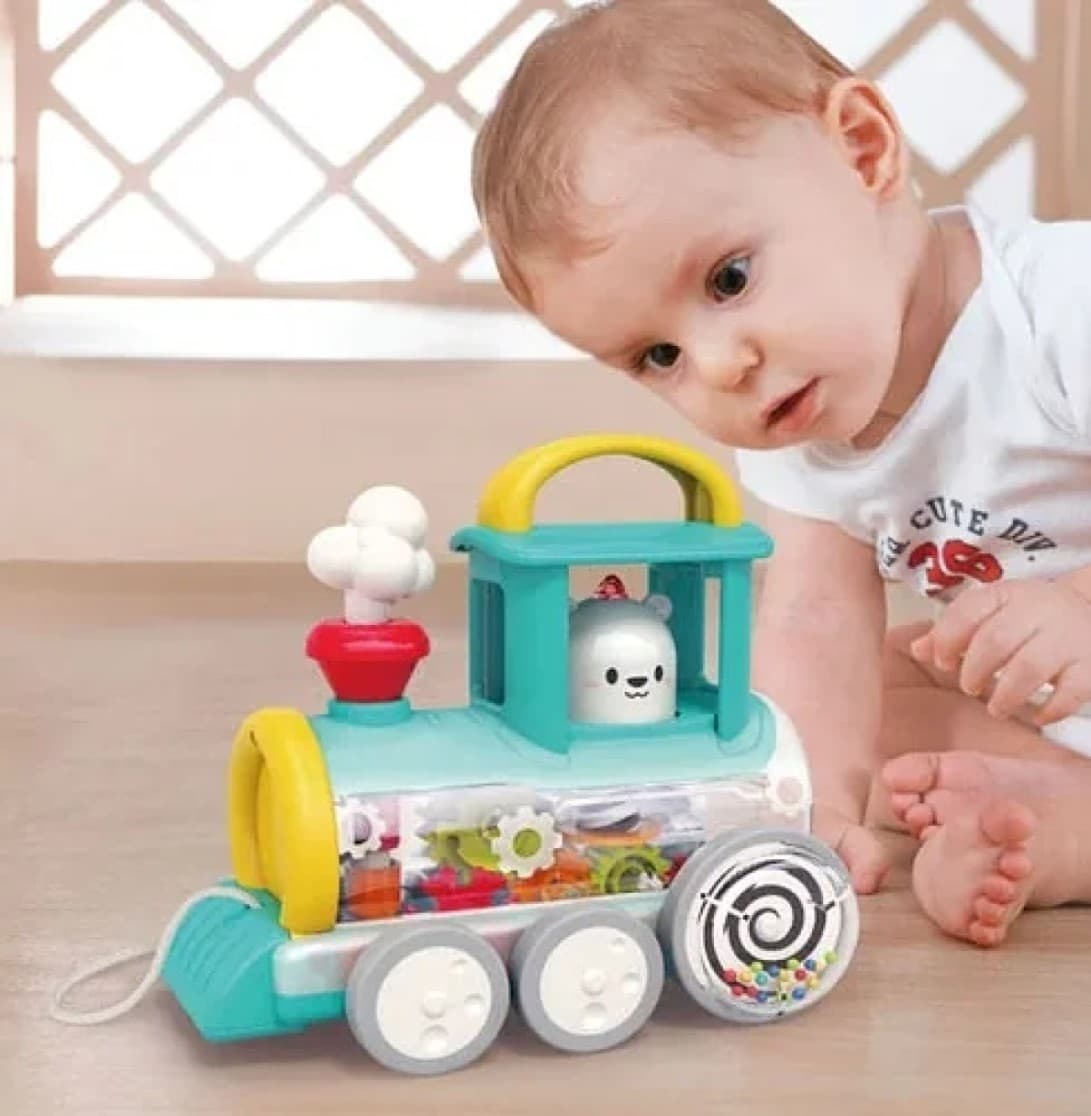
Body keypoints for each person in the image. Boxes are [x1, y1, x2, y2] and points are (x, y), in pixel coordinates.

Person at [469, 0, 1091, 947]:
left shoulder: (1058, 303)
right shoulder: (800, 417)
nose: (720, 367)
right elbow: (813, 615)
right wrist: (813, 804)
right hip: (1052, 690)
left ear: (862, 150)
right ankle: (1048, 817)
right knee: (854, 698)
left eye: (728, 279)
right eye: (659, 357)